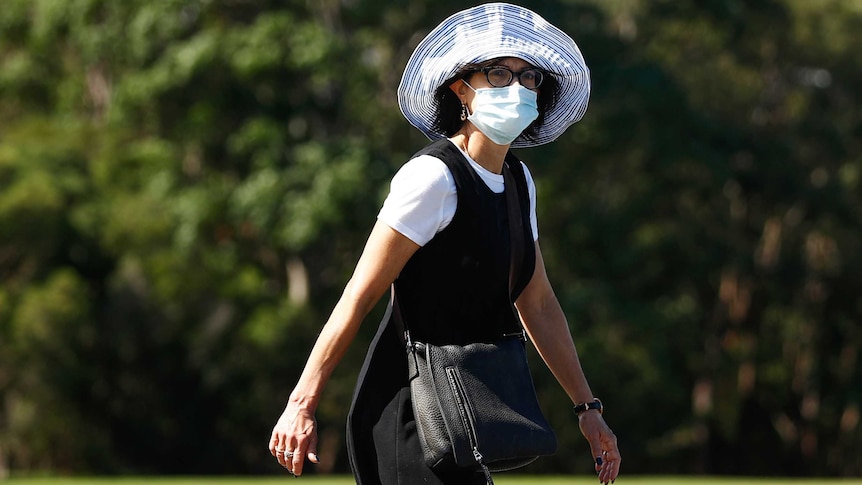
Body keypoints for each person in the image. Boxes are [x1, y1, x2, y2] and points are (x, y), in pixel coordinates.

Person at [269, 3, 621, 484]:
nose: (516, 88)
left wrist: (588, 409)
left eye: (529, 77)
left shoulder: (519, 181)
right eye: (498, 73)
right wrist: (301, 405)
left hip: (469, 416)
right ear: (462, 88)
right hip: (409, 413)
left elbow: (536, 303)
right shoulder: (432, 177)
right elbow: (359, 296)